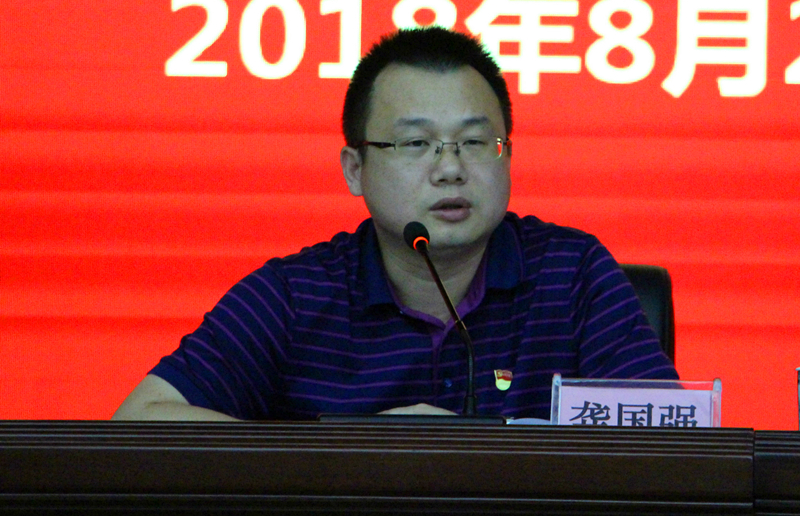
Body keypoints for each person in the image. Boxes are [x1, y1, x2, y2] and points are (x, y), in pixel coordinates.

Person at [113, 27, 677, 421]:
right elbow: (141, 420)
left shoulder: (571, 274)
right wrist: (353, 453)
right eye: (416, 144)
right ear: (354, 169)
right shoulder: (295, 296)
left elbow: (671, 444)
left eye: (475, 141)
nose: (450, 168)